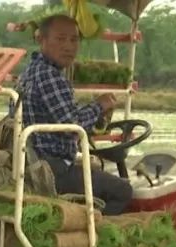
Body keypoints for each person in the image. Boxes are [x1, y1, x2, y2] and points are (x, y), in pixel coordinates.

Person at [14, 13, 134, 215]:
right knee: (123, 190)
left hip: (33, 161)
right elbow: (71, 127)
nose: (69, 46)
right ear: (41, 39)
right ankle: (94, 236)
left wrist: (98, 113)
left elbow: (64, 117)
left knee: (96, 173)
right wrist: (99, 106)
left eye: (74, 40)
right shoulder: (49, 76)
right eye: (61, 39)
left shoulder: (31, 71)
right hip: (52, 169)